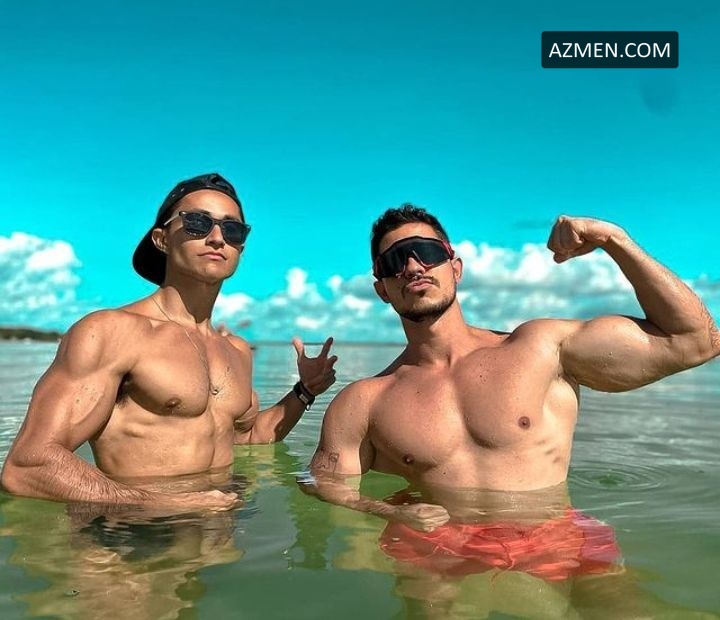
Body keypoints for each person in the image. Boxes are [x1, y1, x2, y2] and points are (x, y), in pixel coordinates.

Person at [306, 204, 719, 582]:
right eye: (394, 261)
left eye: (427, 252)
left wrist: (615, 239)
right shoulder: (364, 401)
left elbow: (696, 341)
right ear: (381, 288)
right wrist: (388, 511)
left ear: (455, 267)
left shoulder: (541, 349)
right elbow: (321, 483)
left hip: (557, 537)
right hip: (441, 547)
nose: (413, 266)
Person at [1, 172, 337, 511]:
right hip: (134, 532)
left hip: (219, 528)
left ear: (240, 248)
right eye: (197, 223)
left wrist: (304, 391)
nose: (217, 238)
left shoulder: (236, 350)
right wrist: (168, 503)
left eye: (232, 230)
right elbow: (29, 465)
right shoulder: (111, 332)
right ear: (161, 239)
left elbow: (247, 438)